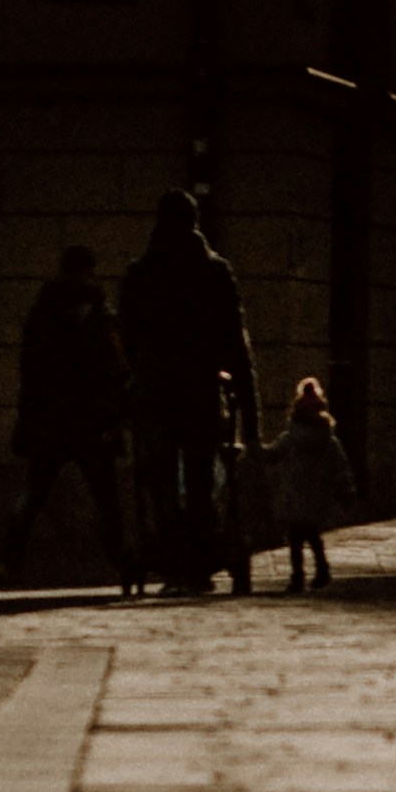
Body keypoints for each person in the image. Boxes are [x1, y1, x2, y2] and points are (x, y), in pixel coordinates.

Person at [118, 189, 259, 595]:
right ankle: (198, 560)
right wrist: (249, 419)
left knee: (159, 476)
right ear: (194, 222)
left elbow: (127, 336)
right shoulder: (215, 271)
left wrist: (138, 374)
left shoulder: (140, 273)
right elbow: (235, 341)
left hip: (156, 388)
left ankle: (171, 557)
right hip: (200, 388)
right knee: (201, 477)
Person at [3, 246, 131, 589]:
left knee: (33, 493)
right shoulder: (101, 314)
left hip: (50, 418)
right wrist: (114, 417)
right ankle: (120, 562)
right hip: (91, 421)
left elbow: (30, 372)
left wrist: (28, 416)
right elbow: (115, 370)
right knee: (106, 497)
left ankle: (8, 559)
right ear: (89, 271)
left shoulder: (41, 313)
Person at [266, 377, 357, 593]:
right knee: (312, 533)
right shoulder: (328, 440)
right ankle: (321, 569)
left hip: (295, 492)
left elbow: (272, 455)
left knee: (296, 537)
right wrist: (347, 491)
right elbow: (340, 467)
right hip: (317, 494)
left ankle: (298, 577)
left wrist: (252, 449)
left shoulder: (290, 437)